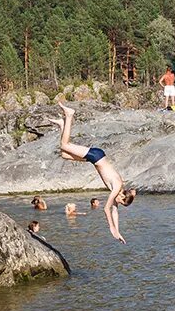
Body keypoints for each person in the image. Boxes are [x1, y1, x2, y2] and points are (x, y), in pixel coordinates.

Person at [52, 103, 136, 243]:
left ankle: (62, 125)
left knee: (64, 155)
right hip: (96, 156)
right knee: (65, 145)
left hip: (95, 159)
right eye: (121, 201)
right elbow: (106, 209)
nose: (118, 203)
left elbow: (114, 211)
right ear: (122, 196)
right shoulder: (116, 187)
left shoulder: (118, 191)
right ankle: (69, 115)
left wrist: (118, 231)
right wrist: (112, 229)